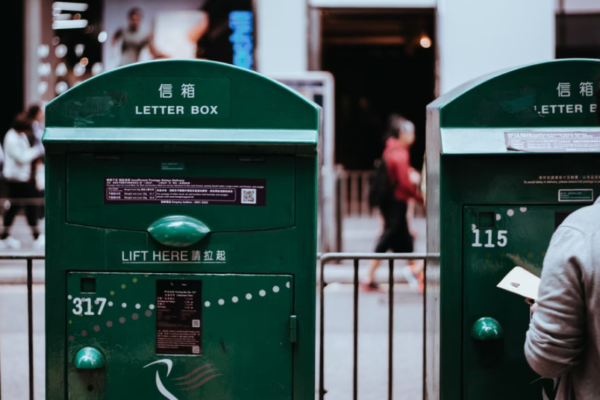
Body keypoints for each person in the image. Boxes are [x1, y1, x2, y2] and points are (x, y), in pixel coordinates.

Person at [363, 115, 423, 292]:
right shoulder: (399, 154)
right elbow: (404, 183)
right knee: (387, 240)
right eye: (411, 132)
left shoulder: (390, 151)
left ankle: (417, 273)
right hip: (396, 205)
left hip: (392, 205)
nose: (413, 136)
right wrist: (420, 198)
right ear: (402, 133)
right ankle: (368, 278)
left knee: (405, 243)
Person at [0, 114, 44, 249]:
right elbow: (22, 157)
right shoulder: (11, 138)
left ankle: (4, 236)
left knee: (15, 207)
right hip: (16, 178)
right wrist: (37, 150)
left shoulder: (21, 136)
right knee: (29, 204)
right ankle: (36, 235)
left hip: (22, 177)